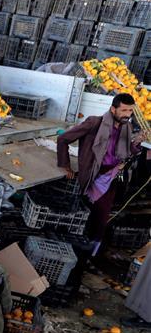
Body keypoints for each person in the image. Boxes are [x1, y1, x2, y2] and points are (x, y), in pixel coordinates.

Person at [56, 93, 147, 252]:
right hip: (95, 174)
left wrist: (137, 142)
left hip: (113, 176)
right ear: (113, 109)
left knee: (102, 214)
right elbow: (63, 139)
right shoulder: (94, 123)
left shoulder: (127, 127)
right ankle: (84, 249)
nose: (127, 115)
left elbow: (126, 153)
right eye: (124, 110)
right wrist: (66, 165)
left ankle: (90, 250)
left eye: (130, 111)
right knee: (94, 214)